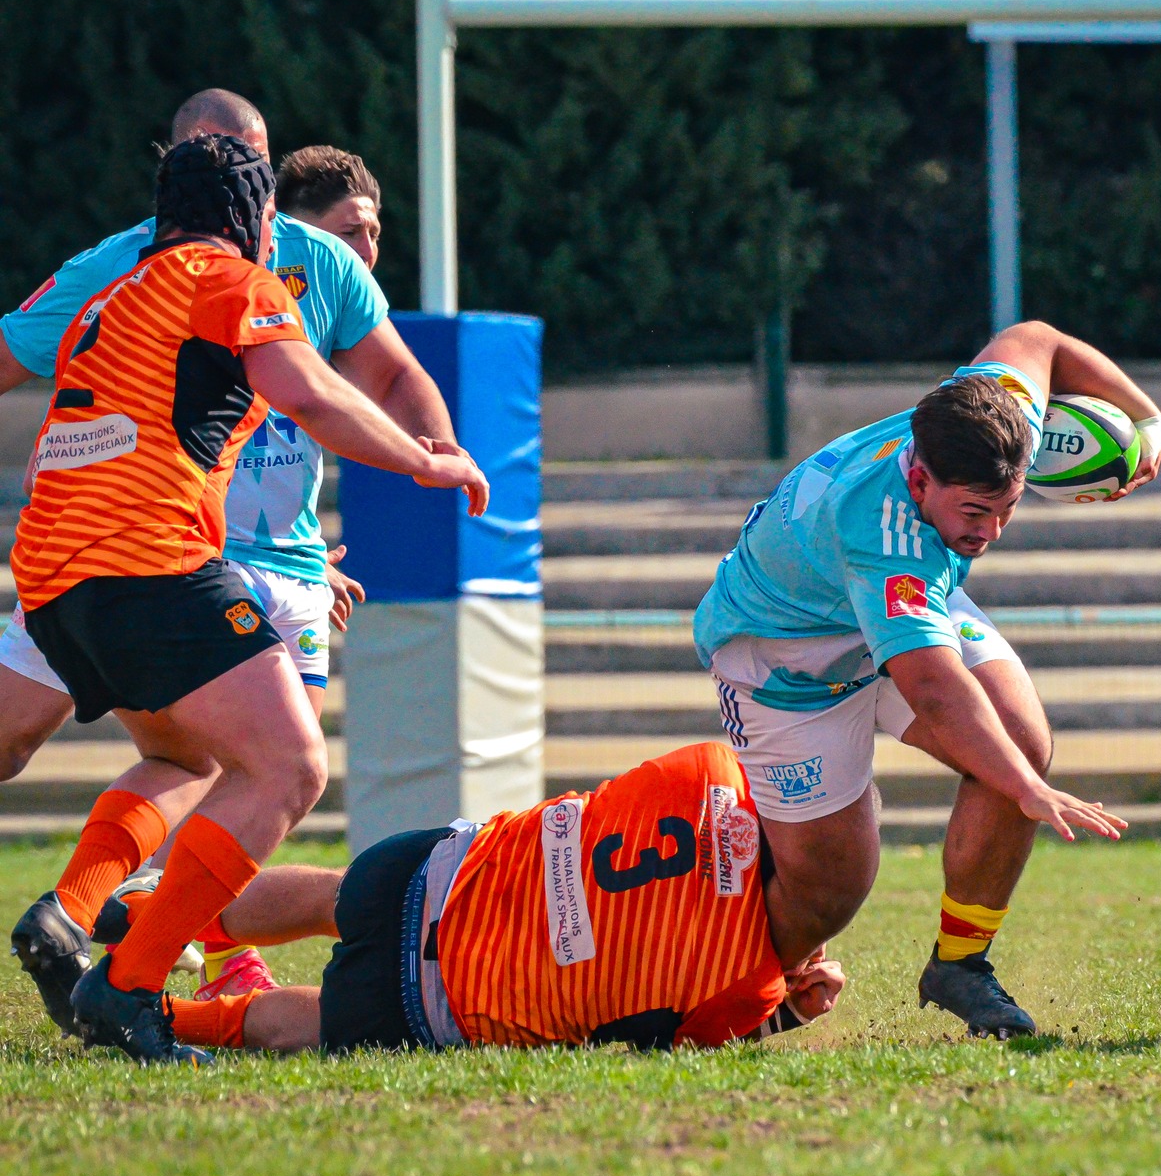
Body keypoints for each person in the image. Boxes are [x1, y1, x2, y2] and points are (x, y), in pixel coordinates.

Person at [9, 133, 488, 1064]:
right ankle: (130, 984)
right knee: (288, 767)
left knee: (187, 758)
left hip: (55, 575)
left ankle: (92, 920)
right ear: (257, 220)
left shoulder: (109, 296)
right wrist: (423, 459)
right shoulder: (235, 279)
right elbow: (305, 391)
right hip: (144, 568)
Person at [694, 322, 1161, 1038]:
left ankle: (960, 965)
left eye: (1007, 510)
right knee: (832, 891)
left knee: (1015, 740)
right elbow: (935, 692)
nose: (991, 533)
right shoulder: (884, 533)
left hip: (889, 606)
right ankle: (719, 997)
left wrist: (1149, 420)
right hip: (787, 662)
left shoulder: (992, 413)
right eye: (975, 513)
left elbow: (1037, 340)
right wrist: (1025, 790)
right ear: (919, 478)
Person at [89, 743, 843, 1056]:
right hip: (437, 1000)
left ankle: (140, 918)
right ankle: (165, 1020)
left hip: (439, 872)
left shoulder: (715, 766)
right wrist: (786, 1005)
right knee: (314, 1022)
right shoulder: (746, 980)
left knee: (332, 896)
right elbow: (682, 1035)